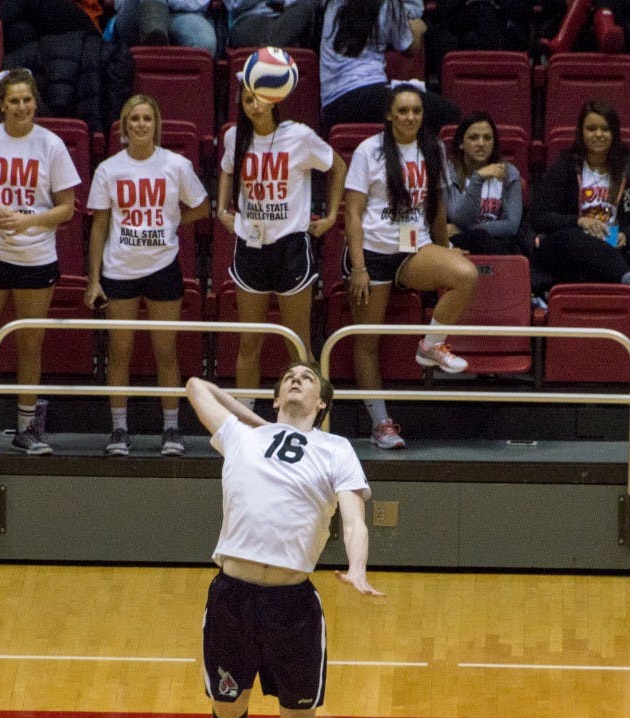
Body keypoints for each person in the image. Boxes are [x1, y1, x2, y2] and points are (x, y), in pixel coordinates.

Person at [185, 360, 382, 718]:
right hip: (231, 600)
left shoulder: (337, 449)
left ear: (323, 403)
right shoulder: (242, 438)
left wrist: (359, 566)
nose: (297, 378)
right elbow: (197, 386)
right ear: (276, 397)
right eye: (288, 376)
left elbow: (353, 516)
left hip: (292, 607)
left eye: (309, 377)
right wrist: (261, 425)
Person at [343, 82, 478, 449]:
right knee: (367, 342)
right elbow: (352, 214)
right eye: (402, 111)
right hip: (371, 252)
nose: (410, 117)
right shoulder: (368, 151)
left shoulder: (432, 148)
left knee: (465, 275)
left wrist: (446, 249)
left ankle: (431, 346)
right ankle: (380, 424)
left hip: (412, 248)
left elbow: (436, 209)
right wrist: (358, 267)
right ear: (389, 114)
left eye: (416, 111)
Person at [0, 68, 81, 454]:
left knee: (30, 343)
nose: (21, 107)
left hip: (36, 256)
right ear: (1, 105)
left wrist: (29, 220)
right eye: (13, 100)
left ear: (35, 102)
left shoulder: (51, 145)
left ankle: (28, 428)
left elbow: (67, 209)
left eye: (26, 100)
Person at [85, 93, 210, 456]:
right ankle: (119, 430)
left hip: (163, 268)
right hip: (120, 270)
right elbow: (98, 228)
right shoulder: (109, 169)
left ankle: (171, 430)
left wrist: (172, 223)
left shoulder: (175, 165)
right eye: (134, 119)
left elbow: (202, 208)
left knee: (165, 350)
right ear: (124, 126)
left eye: (147, 119)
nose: (141, 124)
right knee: (120, 351)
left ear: (157, 125)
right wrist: (93, 280)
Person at [217, 83, 346, 391]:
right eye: (247, 100)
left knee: (298, 342)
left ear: (274, 100)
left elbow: (338, 167)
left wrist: (330, 217)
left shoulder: (299, 136)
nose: (254, 106)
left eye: (259, 99)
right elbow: (226, 169)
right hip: (250, 246)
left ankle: (312, 423)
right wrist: (222, 209)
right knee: (249, 342)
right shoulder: (235, 137)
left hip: (291, 247)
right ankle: (246, 423)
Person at [530, 99, 630, 301]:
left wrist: (626, 235)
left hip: (612, 241)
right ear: (581, 132)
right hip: (567, 244)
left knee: (602, 249)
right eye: (591, 129)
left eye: (605, 129)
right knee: (576, 237)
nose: (598, 134)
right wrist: (579, 221)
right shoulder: (565, 165)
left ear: (614, 133)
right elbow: (539, 217)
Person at [320, 0, 461, 134]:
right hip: (368, 94)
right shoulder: (388, 4)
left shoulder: (332, 2)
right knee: (450, 113)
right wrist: (417, 29)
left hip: (331, 106)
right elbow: (410, 48)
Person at [445, 111, 524, 255]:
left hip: (497, 241)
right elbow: (458, 217)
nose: (481, 144)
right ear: (461, 143)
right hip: (460, 243)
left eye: (487, 138)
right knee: (480, 238)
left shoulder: (509, 173)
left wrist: (467, 228)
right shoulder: (449, 173)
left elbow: (511, 226)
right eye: (474, 138)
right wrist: (478, 178)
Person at [112, 0, 218, 57]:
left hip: (183, 14)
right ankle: (155, 37)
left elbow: (200, 2)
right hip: (136, 11)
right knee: (153, 21)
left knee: (205, 42)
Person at [226, 0, 319, 49]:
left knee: (306, 7)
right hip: (249, 21)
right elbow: (234, 4)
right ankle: (269, 56)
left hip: (282, 18)